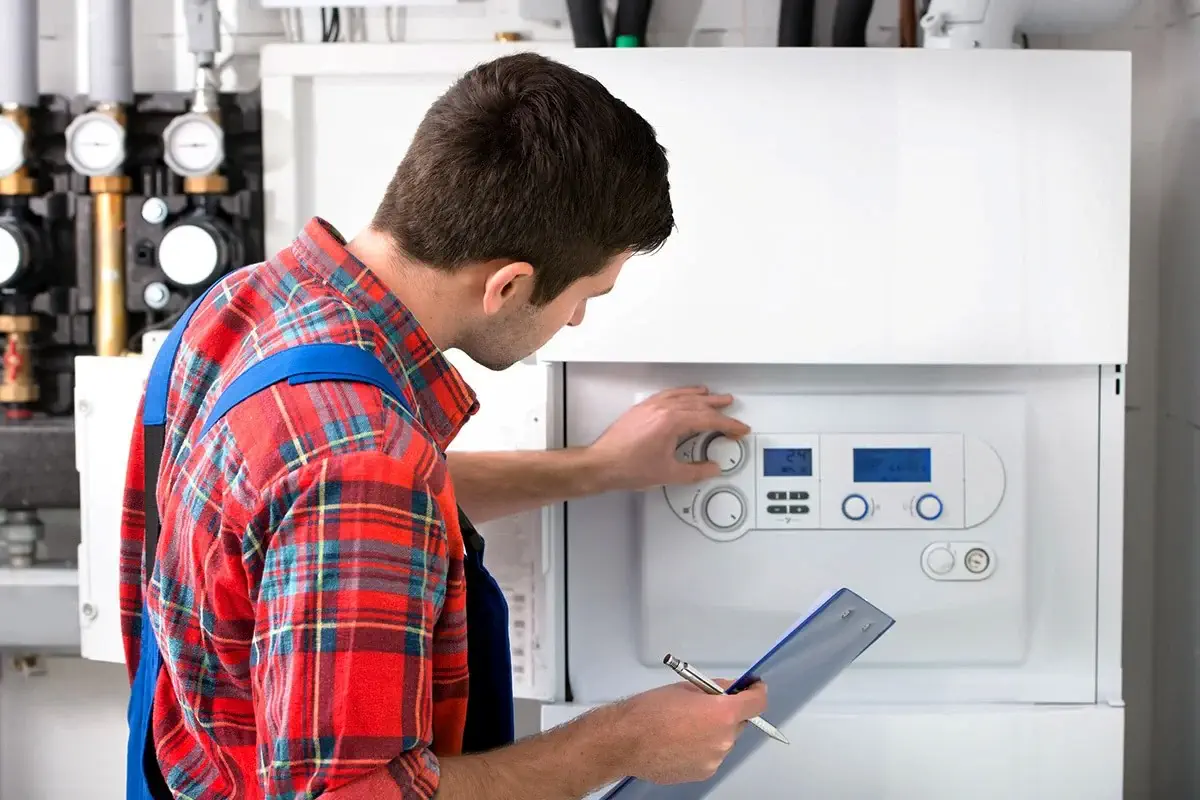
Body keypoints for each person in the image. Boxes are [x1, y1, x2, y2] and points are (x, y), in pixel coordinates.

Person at [119, 51, 765, 800]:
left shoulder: (245, 306)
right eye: (586, 294)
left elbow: (304, 510)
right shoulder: (362, 460)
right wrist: (619, 743)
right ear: (509, 285)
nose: (580, 317)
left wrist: (599, 467)